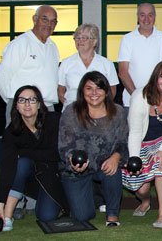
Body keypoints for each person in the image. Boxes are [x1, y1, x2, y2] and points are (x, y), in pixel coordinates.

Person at [0, 5, 59, 219]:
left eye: (53, 21)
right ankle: (14, 201)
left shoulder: (52, 47)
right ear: (35, 19)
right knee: (17, 156)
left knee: (42, 157)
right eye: (45, 19)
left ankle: (32, 200)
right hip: (21, 107)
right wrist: (15, 105)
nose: (49, 24)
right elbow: (1, 78)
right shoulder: (19, 44)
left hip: (46, 108)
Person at [0, 86, 67, 232]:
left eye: (32, 100)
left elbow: (56, 155)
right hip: (30, 177)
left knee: (46, 216)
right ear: (16, 105)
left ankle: (36, 199)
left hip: (53, 175)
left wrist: (24, 151)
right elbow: (7, 167)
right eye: (22, 100)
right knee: (21, 163)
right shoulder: (12, 132)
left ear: (39, 104)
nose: (27, 104)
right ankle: (8, 216)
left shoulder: (54, 120)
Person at [58, 71, 128, 226]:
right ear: (82, 91)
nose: (94, 93)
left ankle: (112, 215)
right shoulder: (71, 111)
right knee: (83, 216)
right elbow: (64, 146)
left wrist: (116, 156)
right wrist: (72, 160)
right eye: (89, 88)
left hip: (104, 166)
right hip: (76, 171)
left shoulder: (118, 112)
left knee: (113, 168)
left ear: (106, 91)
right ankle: (92, 195)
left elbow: (122, 142)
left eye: (99, 88)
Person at [123, 61, 162, 228]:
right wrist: (134, 159)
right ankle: (146, 200)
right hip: (141, 143)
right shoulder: (139, 96)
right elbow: (135, 132)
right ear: (155, 79)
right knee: (140, 187)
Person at [117, 2, 162, 108]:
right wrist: (137, 97)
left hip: (159, 101)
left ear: (155, 17)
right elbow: (123, 72)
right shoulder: (127, 39)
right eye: (142, 15)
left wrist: (159, 96)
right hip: (131, 102)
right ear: (137, 17)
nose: (146, 19)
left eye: (150, 15)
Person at [58, 23, 118, 112]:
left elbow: (112, 91)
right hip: (72, 112)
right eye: (77, 38)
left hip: (99, 112)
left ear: (94, 41)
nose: (80, 41)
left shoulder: (107, 64)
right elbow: (60, 91)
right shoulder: (66, 63)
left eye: (84, 38)